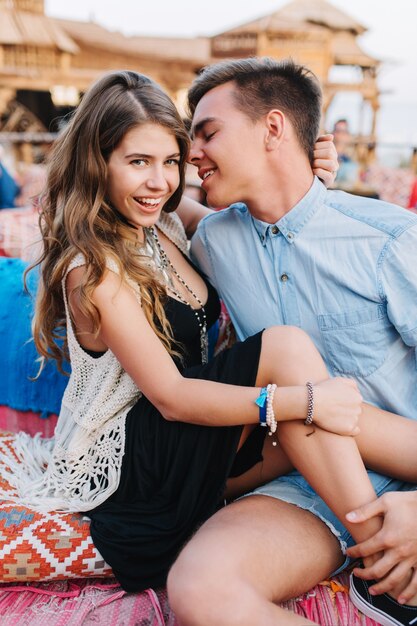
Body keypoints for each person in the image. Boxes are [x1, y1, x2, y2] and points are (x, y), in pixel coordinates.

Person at [166, 58, 417, 626]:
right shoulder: (215, 240)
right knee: (200, 589)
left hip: (405, 456)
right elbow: (132, 179)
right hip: (303, 475)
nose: (192, 154)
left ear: (274, 128)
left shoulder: (387, 240)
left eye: (207, 133)